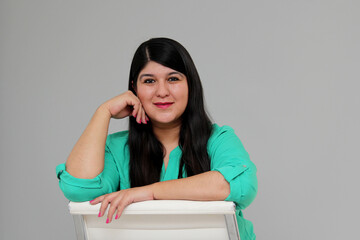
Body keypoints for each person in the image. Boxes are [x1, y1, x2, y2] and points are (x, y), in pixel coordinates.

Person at [56, 37, 258, 240]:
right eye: (149, 81)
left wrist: (149, 192)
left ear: (190, 85)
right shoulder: (115, 148)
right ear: (134, 89)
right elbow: (78, 188)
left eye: (173, 79)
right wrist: (103, 111)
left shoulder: (219, 140)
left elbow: (241, 185)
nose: (162, 92)